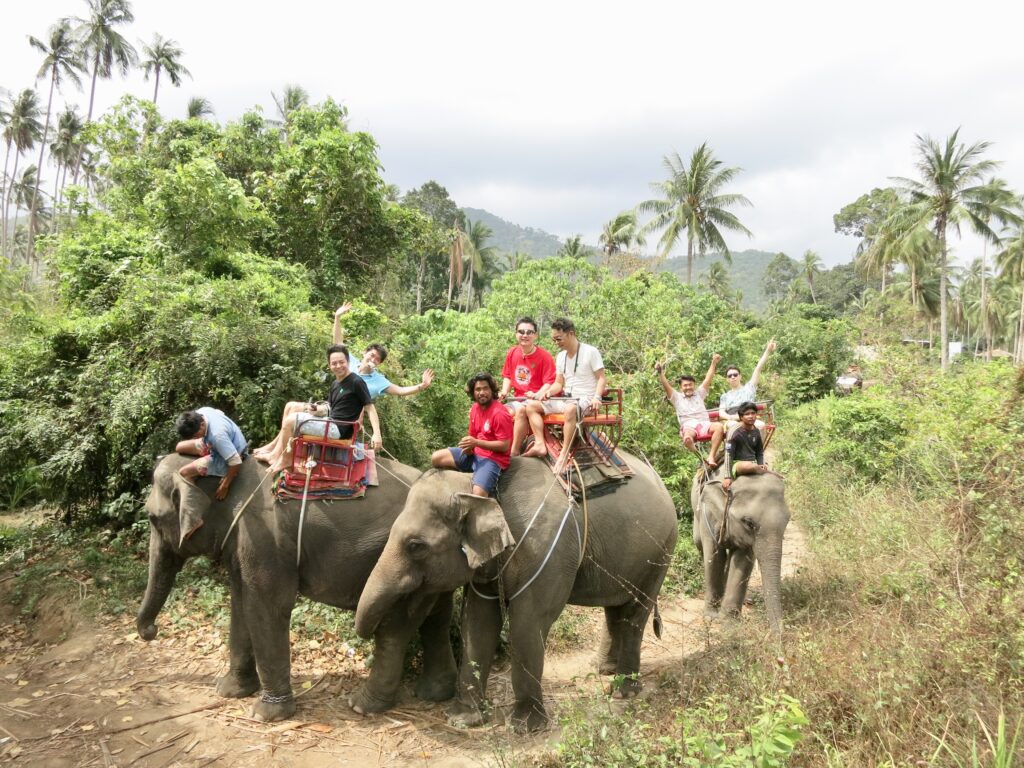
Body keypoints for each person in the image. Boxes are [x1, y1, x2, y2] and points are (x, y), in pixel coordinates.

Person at [254, 302, 433, 462]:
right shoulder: (349, 363)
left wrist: (421, 386)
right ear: (364, 353)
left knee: (294, 417)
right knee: (290, 406)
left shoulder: (377, 381)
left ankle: (277, 455)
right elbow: (337, 344)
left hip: (346, 419)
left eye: (377, 359)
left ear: (379, 364)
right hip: (333, 408)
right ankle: (273, 448)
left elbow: (400, 391)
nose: (373, 359)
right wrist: (337, 317)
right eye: (371, 355)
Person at [266, 344, 376, 473]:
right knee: (291, 406)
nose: (338, 366)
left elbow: (369, 407)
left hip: (338, 429)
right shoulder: (336, 383)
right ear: (329, 365)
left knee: (290, 421)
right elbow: (330, 407)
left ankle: (286, 460)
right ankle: (276, 451)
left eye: (342, 362)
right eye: (334, 363)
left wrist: (377, 434)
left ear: (348, 362)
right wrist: (316, 409)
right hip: (330, 420)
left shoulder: (356, 382)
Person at [521, 318, 606, 475]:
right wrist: (548, 392)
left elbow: (601, 378)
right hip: (566, 398)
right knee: (531, 406)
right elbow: (559, 383)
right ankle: (540, 443)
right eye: (554, 340)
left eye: (558, 339)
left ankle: (564, 453)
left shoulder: (590, 352)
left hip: (584, 399)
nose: (556, 343)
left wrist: (597, 397)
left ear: (571, 334)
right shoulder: (561, 356)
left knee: (570, 409)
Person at [431, 372, 513, 497]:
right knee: (436, 457)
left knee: (478, 494)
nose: (482, 392)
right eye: (478, 389)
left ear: (492, 390)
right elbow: (473, 436)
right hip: (475, 453)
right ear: (473, 393)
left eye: (485, 388)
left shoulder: (500, 413)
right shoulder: (475, 408)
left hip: (493, 459)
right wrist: (469, 447)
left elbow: (504, 446)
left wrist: (476, 443)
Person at [498, 316, 556, 458]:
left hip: (536, 400)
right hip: (517, 398)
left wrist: (537, 394)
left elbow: (550, 382)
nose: (525, 335)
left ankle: (514, 451)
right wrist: (504, 391)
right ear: (516, 334)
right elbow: (508, 376)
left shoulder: (544, 356)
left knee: (521, 411)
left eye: (529, 332)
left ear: (535, 335)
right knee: (498, 412)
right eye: (521, 331)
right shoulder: (512, 352)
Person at [657, 353, 725, 466]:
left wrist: (714, 363)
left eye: (690, 385)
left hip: (704, 424)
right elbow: (665, 384)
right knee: (687, 438)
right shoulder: (676, 397)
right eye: (685, 385)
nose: (688, 387)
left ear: (694, 385)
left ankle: (711, 456)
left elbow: (708, 378)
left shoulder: (699, 394)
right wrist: (660, 372)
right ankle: (699, 456)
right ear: (681, 387)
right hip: (689, 426)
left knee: (719, 426)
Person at [175, 407, 248, 500]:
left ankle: (193, 507)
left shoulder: (217, 437)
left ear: (202, 424)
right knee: (179, 446)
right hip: (210, 441)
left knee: (184, 473)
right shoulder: (202, 412)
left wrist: (225, 485)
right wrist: (200, 437)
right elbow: (219, 412)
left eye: (195, 435)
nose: (194, 438)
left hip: (231, 452)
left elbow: (236, 461)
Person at [719, 339, 776, 424]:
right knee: (734, 426)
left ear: (740, 376)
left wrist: (767, 351)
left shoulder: (749, 388)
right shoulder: (725, 396)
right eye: (730, 376)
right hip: (733, 419)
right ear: (727, 379)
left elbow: (758, 368)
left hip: (750, 417)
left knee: (760, 424)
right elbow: (721, 412)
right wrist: (732, 417)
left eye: (735, 374)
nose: (733, 377)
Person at [721, 401, 768, 492]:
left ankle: (759, 468)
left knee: (759, 467)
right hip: (738, 463)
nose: (751, 416)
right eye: (747, 414)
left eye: (753, 413)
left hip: (753, 461)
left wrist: (761, 463)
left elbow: (759, 451)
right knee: (751, 467)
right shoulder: (734, 432)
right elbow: (728, 454)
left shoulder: (756, 431)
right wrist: (727, 477)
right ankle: (758, 469)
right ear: (741, 417)